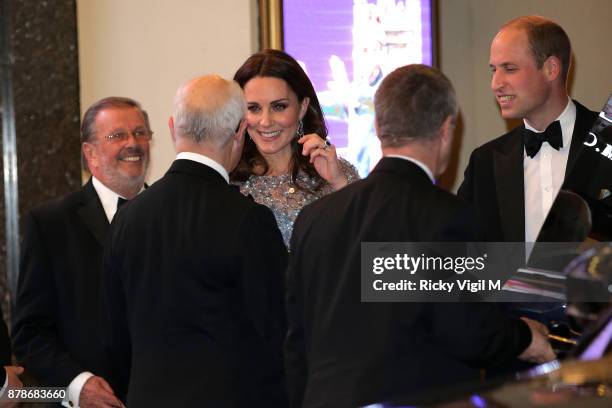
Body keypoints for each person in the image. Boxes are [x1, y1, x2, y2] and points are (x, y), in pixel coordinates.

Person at [285, 64, 555, 408]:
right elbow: (467, 331)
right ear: (446, 130)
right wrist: (525, 338)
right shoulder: (449, 218)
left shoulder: (315, 218)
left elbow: (296, 344)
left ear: (379, 127)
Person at [101, 75, 288, 407]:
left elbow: (117, 338)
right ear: (240, 133)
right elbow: (276, 334)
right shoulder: (248, 220)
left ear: (173, 128)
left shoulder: (127, 218)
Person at [13, 96, 152, 407]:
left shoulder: (174, 215)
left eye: (141, 133)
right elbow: (30, 332)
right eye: (118, 135)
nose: (133, 143)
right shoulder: (50, 224)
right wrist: (77, 385)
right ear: (89, 152)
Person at [458, 16, 603, 243]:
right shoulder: (484, 163)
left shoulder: (606, 138)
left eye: (509, 68)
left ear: (551, 69)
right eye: (494, 70)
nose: (496, 83)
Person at [231, 49, 359, 247]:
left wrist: (338, 182)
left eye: (279, 106)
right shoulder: (228, 179)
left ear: (302, 107)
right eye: (254, 108)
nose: (265, 122)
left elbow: (376, 254)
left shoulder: (338, 174)